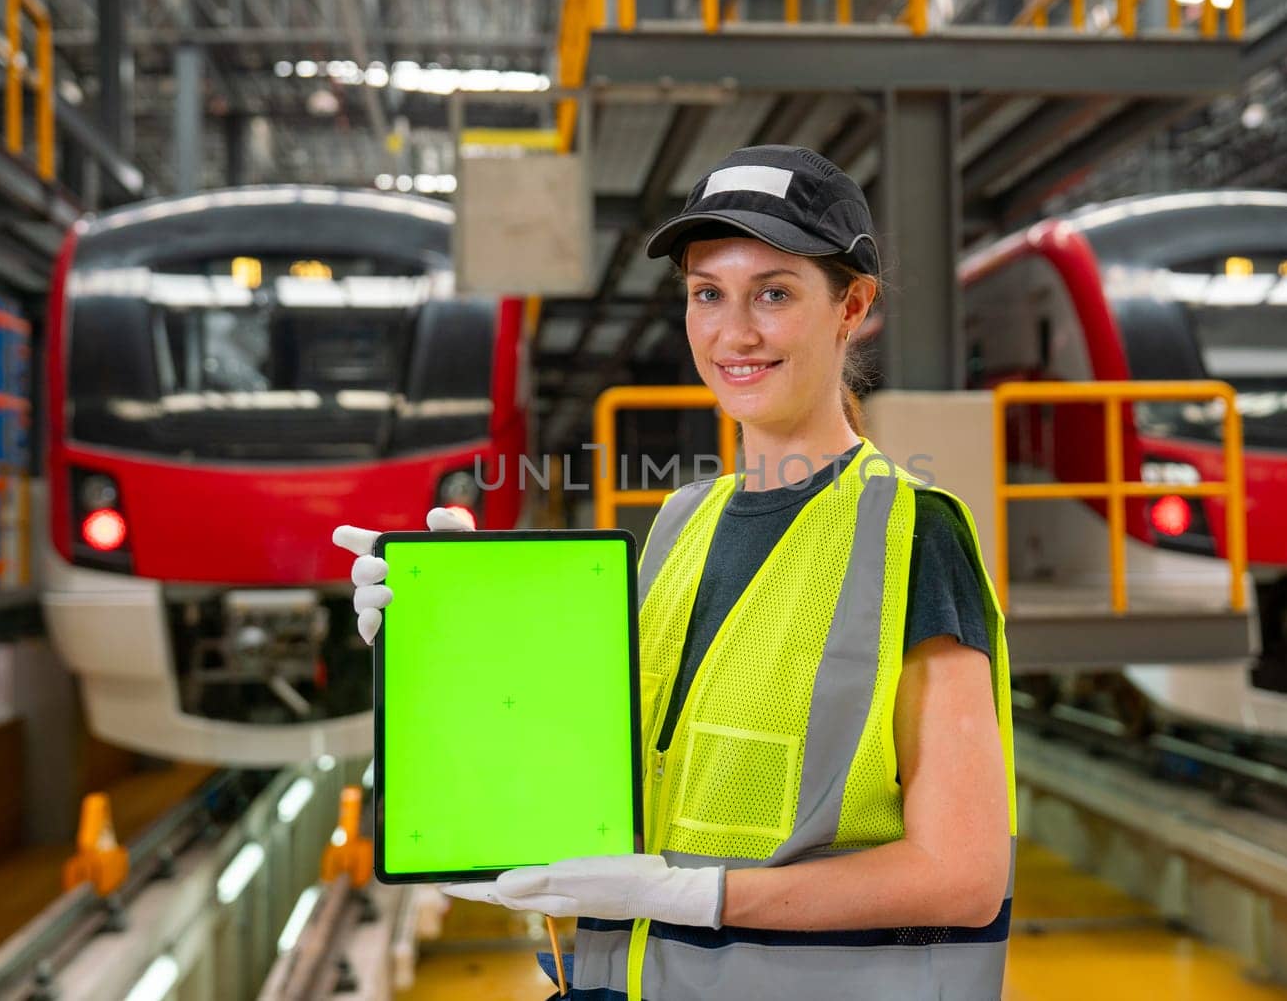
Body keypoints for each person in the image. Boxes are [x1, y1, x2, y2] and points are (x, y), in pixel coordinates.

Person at [334, 145, 1016, 1001]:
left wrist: (696, 895)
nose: (735, 332)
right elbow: (622, 767)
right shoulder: (680, 523)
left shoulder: (911, 534)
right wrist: (453, 635)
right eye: (708, 294)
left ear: (852, 306)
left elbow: (961, 874)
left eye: (774, 291)